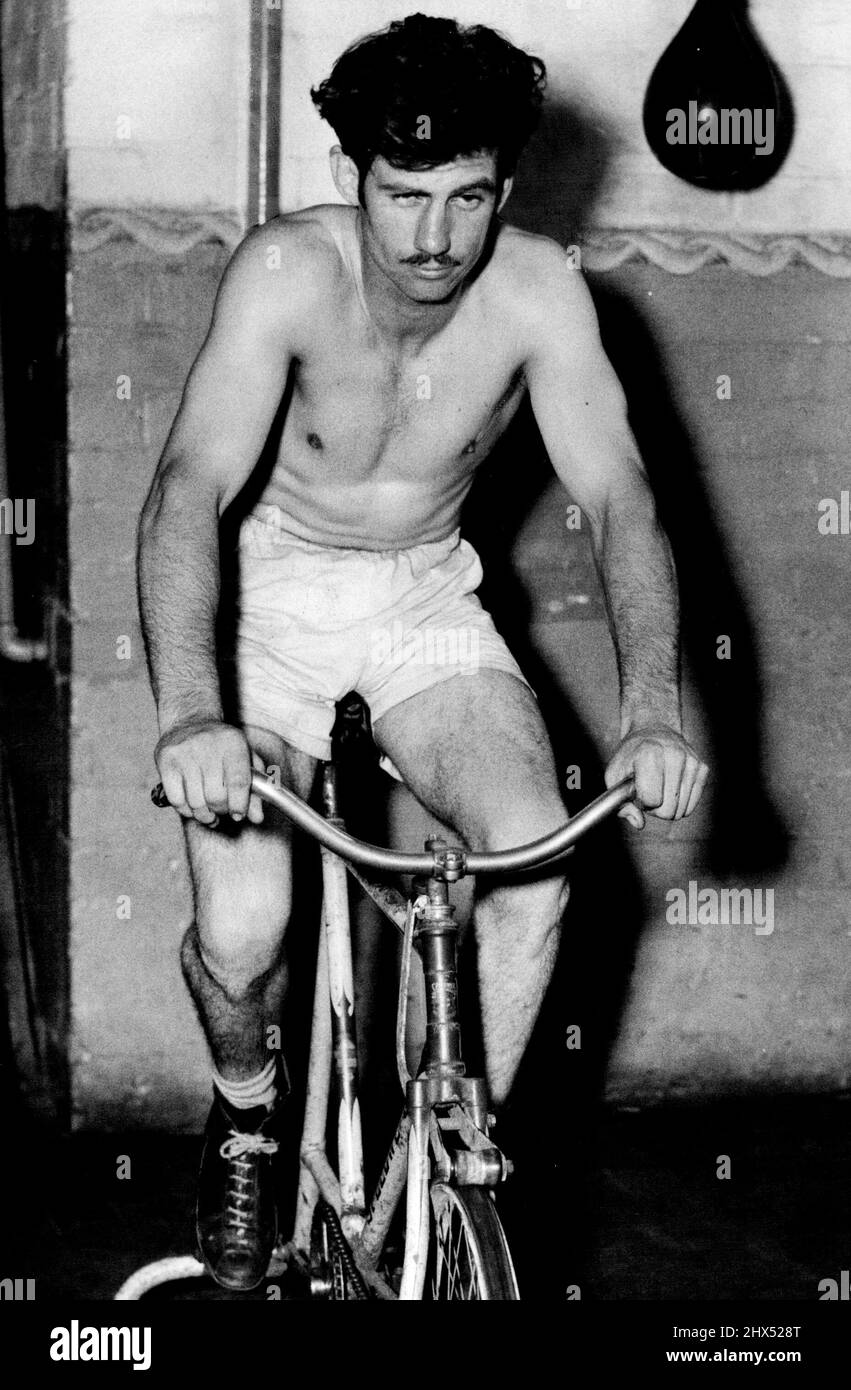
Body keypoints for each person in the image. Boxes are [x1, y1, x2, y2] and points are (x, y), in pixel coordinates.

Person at [137, 13, 709, 1292]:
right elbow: (186, 487)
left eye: (467, 196)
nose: (435, 239)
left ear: (503, 185)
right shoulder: (284, 273)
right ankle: (242, 1111)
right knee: (244, 935)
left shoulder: (537, 292)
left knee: (533, 862)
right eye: (405, 197)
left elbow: (620, 496)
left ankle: (447, 1166)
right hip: (266, 599)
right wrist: (190, 714)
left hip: (421, 600)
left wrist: (654, 709)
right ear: (353, 179)